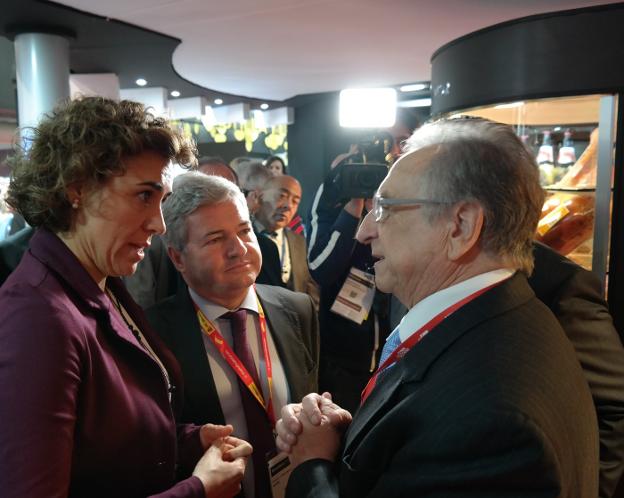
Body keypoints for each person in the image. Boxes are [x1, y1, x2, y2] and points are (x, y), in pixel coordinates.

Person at [276, 117, 599, 497]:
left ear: (460, 226)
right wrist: (348, 441)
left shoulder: (491, 423)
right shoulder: (509, 317)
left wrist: (312, 465)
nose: (364, 231)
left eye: (386, 208)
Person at [0, 97, 252, 498]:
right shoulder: (38, 315)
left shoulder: (97, 280)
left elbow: (105, 442)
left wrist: (189, 440)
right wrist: (198, 491)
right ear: (77, 188)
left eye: (162, 201)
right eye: (143, 197)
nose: (158, 223)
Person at [146, 172, 319, 498]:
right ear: (177, 257)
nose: (238, 249)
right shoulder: (152, 334)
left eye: (244, 231)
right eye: (215, 239)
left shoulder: (298, 309)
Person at [306, 155, 390, 413]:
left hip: (393, 348)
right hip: (342, 357)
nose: (361, 178)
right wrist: (353, 207)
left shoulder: (395, 198)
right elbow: (322, 269)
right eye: (352, 173)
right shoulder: (331, 201)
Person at [254, 174, 318, 306]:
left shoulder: (301, 243)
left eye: (295, 201)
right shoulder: (242, 237)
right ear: (260, 198)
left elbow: (311, 295)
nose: (288, 206)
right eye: (282, 196)